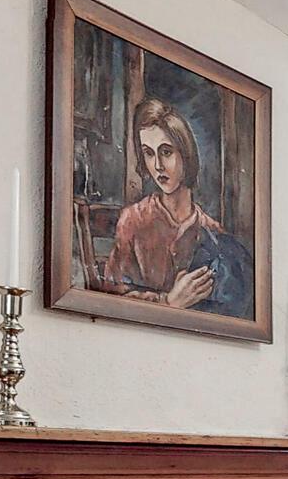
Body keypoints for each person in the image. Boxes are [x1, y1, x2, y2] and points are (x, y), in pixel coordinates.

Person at [100, 99, 254, 316]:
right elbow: (110, 298)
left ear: (186, 154)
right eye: (148, 153)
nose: (157, 166)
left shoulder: (213, 232)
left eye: (166, 152)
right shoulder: (133, 220)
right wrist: (168, 301)